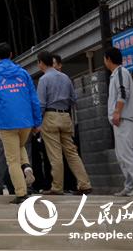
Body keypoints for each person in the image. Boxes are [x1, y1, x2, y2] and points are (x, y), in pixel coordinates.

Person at [0, 43, 42, 204]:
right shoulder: (23, 73)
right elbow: (33, 98)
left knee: (12, 159)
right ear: (12, 54)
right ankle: (26, 166)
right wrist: (37, 121)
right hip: (26, 121)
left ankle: (21, 193)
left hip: (7, 122)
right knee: (20, 147)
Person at [36, 51, 92, 195]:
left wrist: (37, 121)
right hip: (66, 116)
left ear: (41, 62)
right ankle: (84, 183)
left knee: (55, 155)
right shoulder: (65, 77)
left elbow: (41, 104)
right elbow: (73, 99)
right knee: (72, 152)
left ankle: (57, 186)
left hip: (50, 116)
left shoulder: (44, 79)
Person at [103, 48, 133, 197]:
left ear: (108, 59)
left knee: (126, 153)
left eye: (105, 59)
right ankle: (129, 186)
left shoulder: (121, 72)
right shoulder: (115, 74)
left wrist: (117, 112)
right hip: (120, 120)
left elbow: (123, 92)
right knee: (121, 154)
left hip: (124, 118)